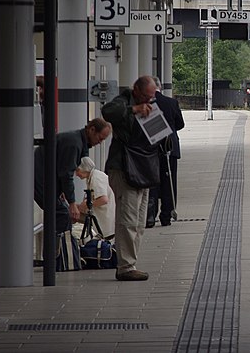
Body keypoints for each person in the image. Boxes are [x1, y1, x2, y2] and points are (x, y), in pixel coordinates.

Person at [102, 75, 160, 282]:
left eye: (152, 97)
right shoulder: (123, 101)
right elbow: (107, 112)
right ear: (136, 90)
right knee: (127, 219)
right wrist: (134, 110)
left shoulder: (151, 105)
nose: (148, 100)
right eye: (145, 96)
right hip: (124, 168)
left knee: (139, 221)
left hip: (144, 169)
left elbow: (159, 139)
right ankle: (125, 266)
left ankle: (131, 262)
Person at [34, 118, 112, 234]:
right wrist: (72, 203)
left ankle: (59, 246)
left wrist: (63, 193)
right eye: (100, 138)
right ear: (92, 130)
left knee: (62, 213)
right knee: (63, 214)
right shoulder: (74, 144)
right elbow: (66, 174)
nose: (100, 142)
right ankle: (59, 249)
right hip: (40, 180)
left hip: (42, 178)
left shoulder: (77, 141)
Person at [147, 77, 185, 227]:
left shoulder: (146, 104)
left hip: (152, 149)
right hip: (170, 147)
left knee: (152, 182)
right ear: (160, 87)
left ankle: (150, 216)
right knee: (169, 182)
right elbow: (180, 124)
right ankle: (166, 216)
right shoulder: (171, 102)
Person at [75, 156, 116, 240]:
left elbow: (103, 199)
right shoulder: (93, 176)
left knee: (71, 214)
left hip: (105, 220)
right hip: (102, 217)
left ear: (83, 169)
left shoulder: (96, 178)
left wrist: (87, 204)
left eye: (77, 171)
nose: (76, 174)